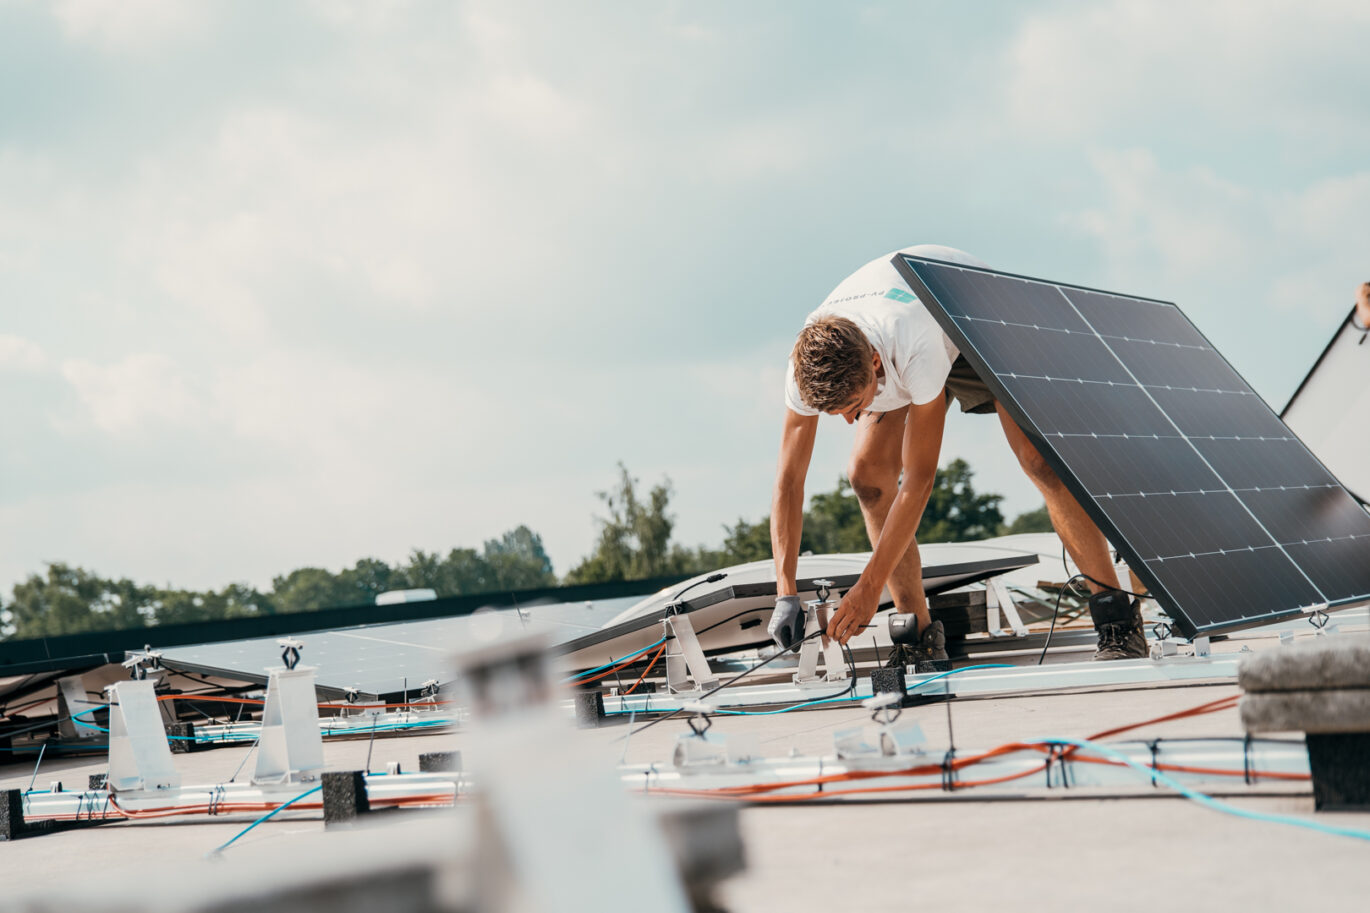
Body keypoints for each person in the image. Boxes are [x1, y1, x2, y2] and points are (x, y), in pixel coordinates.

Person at [767, 244, 1146, 671]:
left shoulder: (913, 342)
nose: (850, 420)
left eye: (854, 406)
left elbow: (920, 479)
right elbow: (788, 482)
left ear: (874, 363)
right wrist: (785, 592)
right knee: (867, 478)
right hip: (916, 326)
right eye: (834, 412)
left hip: (982, 318)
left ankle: (1116, 617)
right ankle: (919, 639)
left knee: (1038, 461)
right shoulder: (805, 367)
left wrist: (870, 586)